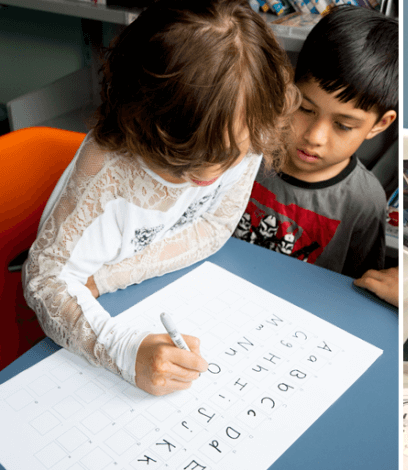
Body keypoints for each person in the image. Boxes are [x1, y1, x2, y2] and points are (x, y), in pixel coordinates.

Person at [22, 0, 299, 396]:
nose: (210, 176)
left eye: (230, 156)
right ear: (139, 121)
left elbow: (216, 225)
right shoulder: (108, 169)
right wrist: (121, 348)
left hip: (128, 290)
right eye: (186, 162)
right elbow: (45, 279)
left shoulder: (249, 124)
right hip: (71, 331)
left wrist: (107, 278)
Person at [232, 5, 398, 279]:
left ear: (380, 124)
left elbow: (361, 287)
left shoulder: (364, 200)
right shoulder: (248, 148)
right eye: (305, 109)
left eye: (343, 125)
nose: (314, 137)